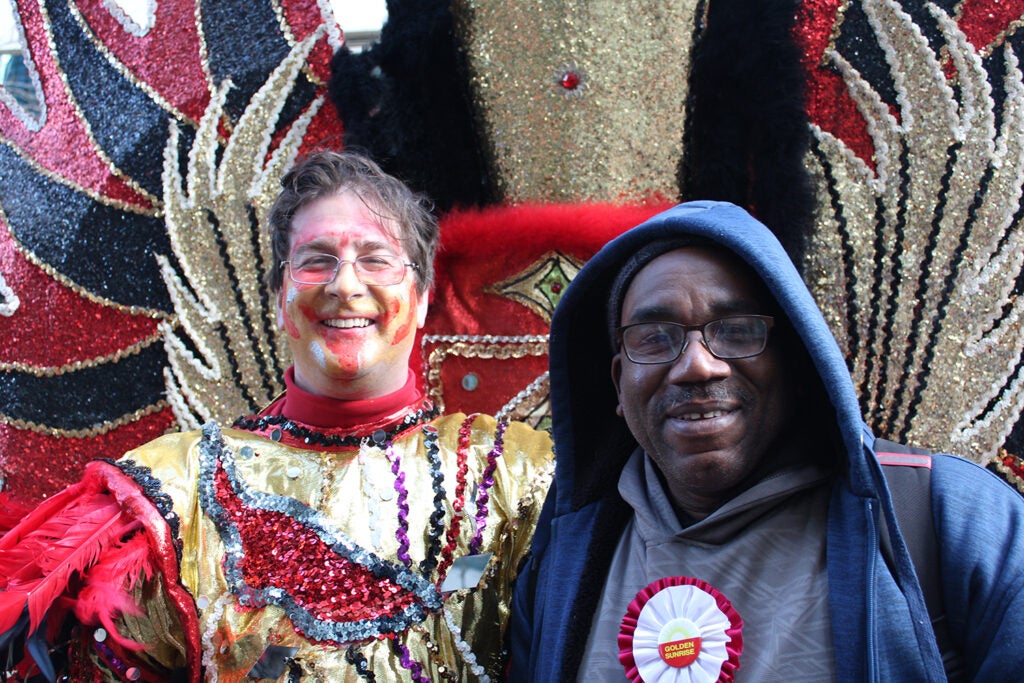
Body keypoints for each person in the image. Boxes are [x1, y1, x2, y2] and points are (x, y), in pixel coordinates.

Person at [0, 151, 553, 681]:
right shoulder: (177, 487)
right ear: (282, 291)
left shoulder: (516, 472)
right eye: (317, 261)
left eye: (376, 259)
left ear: (422, 294)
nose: (345, 284)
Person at [509, 201, 1024, 682]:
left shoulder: (949, 520)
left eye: (736, 331)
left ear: (798, 361)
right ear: (618, 383)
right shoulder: (563, 558)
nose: (696, 366)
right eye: (655, 337)